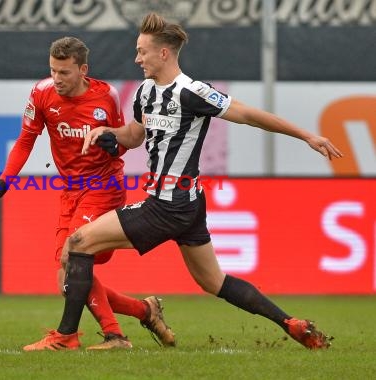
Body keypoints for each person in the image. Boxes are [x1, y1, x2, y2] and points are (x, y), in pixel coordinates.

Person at [24, 13, 343, 351]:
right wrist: (110, 134)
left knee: (77, 245)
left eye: (142, 51)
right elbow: (133, 136)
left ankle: (66, 337)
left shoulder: (192, 92)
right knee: (214, 282)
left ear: (163, 53)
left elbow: (249, 115)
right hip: (188, 206)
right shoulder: (146, 92)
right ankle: (290, 323)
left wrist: (306, 135)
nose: (137, 58)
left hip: (167, 204)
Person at [0, 36, 176, 350]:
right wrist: (4, 181)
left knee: (72, 260)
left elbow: (123, 139)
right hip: (71, 192)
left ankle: (107, 336)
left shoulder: (106, 97)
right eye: (53, 71)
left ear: (83, 69)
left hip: (104, 187)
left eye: (65, 73)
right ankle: (144, 310)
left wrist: (115, 143)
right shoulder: (41, 93)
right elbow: (26, 140)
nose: (57, 79)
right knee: (67, 280)